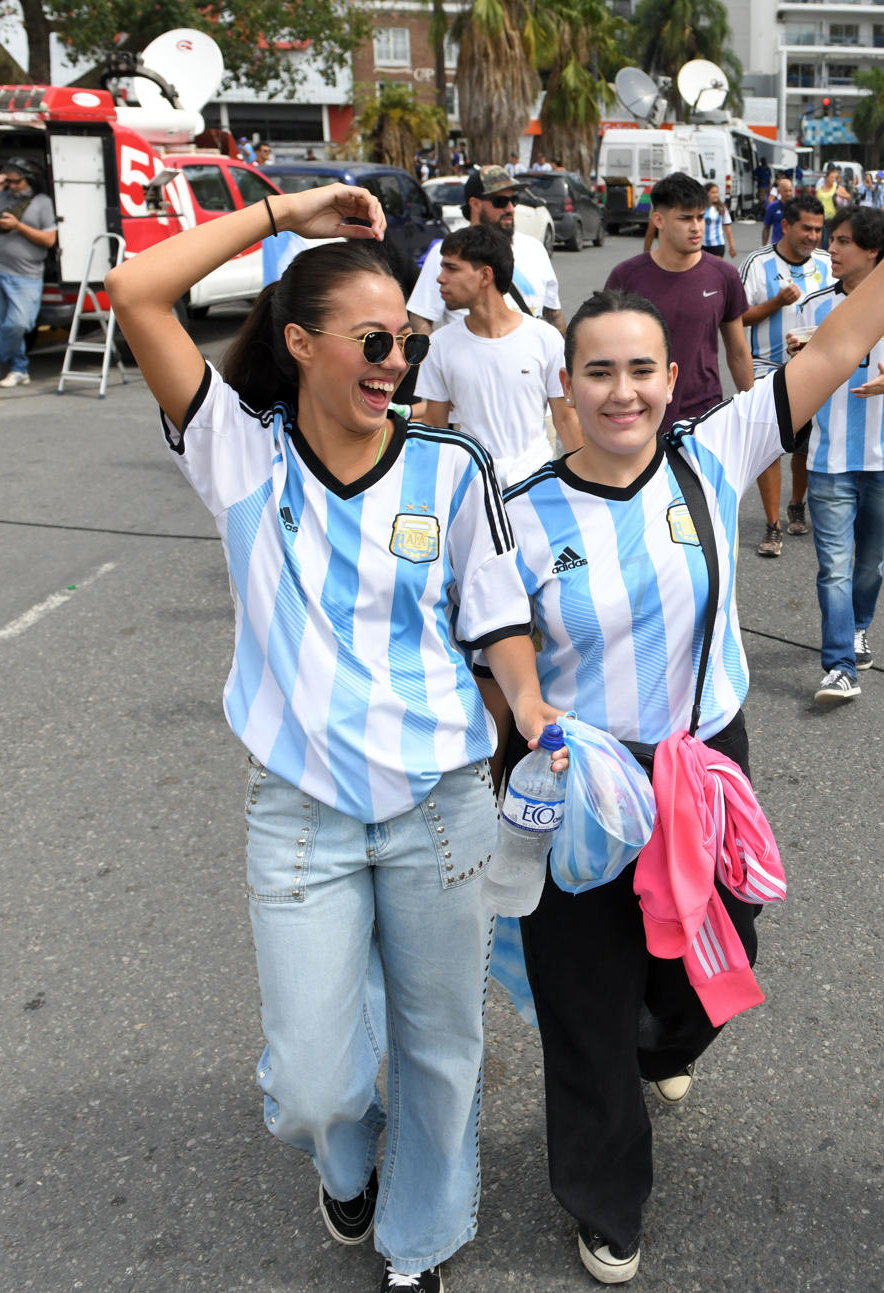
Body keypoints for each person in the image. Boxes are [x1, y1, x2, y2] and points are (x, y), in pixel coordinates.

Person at [487, 132, 884, 1287]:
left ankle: (664, 1041)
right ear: (566, 389)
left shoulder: (713, 454)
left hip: (704, 763)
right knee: (583, 995)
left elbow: (848, 335)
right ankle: (605, 1195)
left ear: (674, 377)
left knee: (716, 962)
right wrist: (521, 723)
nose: (623, 391)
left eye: (642, 370)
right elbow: (493, 639)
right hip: (575, 782)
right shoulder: (508, 506)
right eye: (598, 372)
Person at [104, 182, 564, 1293]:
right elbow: (134, 290)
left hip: (439, 806)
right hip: (300, 815)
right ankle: (343, 1154)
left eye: (405, 342)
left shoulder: (451, 471)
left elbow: (495, 610)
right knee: (316, 1082)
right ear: (301, 343)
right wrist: (287, 212)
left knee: (440, 1047)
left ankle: (420, 1242)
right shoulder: (239, 454)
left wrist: (531, 702)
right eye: (371, 340)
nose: (395, 361)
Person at [790, 205, 884, 703]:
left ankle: (857, 628)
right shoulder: (814, 305)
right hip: (826, 458)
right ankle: (839, 665)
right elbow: (795, 373)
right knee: (833, 564)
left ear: (872, 251)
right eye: (830, 240)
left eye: (842, 241)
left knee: (870, 563)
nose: (829, 249)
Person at [415, 224, 576, 483]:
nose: (440, 277)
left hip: (538, 484)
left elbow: (567, 420)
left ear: (485, 276)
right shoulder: (440, 345)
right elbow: (434, 428)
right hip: (471, 488)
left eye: (451, 268)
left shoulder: (545, 338)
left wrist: (585, 490)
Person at [606, 173, 752, 431]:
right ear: (658, 220)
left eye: (700, 217)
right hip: (639, 415)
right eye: (685, 218)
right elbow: (606, 352)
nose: (696, 227)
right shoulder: (626, 276)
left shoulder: (724, 276)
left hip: (704, 418)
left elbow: (738, 352)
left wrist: (753, 413)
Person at [738, 193, 831, 558]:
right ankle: (772, 524)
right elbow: (736, 319)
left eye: (819, 230)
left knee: (806, 446)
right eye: (806, 228)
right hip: (765, 367)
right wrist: (776, 303)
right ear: (786, 226)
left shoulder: (827, 263)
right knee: (769, 446)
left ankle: (797, 505)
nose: (813, 237)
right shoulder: (757, 263)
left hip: (813, 369)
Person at [407, 165, 560, 335]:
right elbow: (420, 317)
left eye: (514, 200)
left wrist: (563, 357)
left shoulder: (535, 249)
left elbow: (553, 315)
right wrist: (434, 357)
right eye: (500, 202)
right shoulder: (445, 254)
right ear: (475, 204)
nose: (509, 208)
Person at [0, 159, 56, 387]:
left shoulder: (42, 203)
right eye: (7, 181)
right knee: (3, 322)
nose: (12, 186)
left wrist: (18, 226)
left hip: (25, 273)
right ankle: (19, 370)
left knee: (18, 323)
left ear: (29, 179)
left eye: (16, 181)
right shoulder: (2, 195)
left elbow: (49, 239)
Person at [702, 182, 736, 259]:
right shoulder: (700, 207)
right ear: (706, 193)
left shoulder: (722, 208)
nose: (716, 195)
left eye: (717, 192)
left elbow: (728, 230)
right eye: (713, 192)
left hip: (717, 245)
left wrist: (731, 247)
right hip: (702, 245)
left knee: (714, 270)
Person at [763, 175, 795, 245]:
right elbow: (766, 227)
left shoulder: (798, 207)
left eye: (790, 191)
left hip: (794, 246)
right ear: (779, 191)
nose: (788, 194)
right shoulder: (772, 207)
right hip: (777, 245)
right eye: (786, 191)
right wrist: (764, 246)